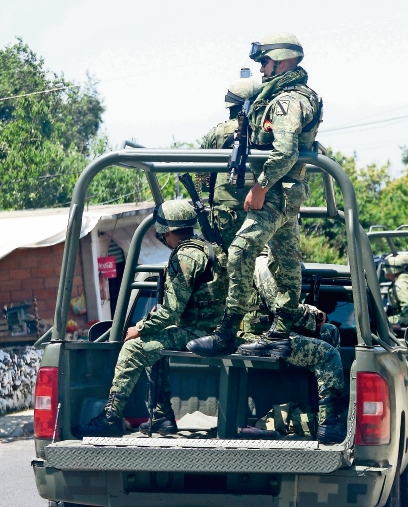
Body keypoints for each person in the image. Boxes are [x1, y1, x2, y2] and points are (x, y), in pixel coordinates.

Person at [188, 32, 323, 359]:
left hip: (275, 191)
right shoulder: (301, 95)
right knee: (286, 261)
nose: (262, 70)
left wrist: (260, 187)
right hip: (290, 193)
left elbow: (286, 151)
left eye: (265, 62)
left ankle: (227, 332)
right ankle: (281, 331)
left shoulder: (287, 101)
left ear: (283, 60)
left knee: (240, 251)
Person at [73, 200, 227, 438]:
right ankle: (162, 416)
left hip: (198, 332)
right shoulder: (208, 249)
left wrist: (140, 328)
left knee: (134, 347)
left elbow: (171, 311)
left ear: (166, 231)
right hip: (215, 330)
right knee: (155, 345)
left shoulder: (184, 257)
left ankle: (111, 418)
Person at [240, 257, 347, 444]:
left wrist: (313, 315)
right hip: (261, 337)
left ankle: (316, 411)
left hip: (270, 332)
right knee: (328, 354)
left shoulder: (265, 260)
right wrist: (312, 316)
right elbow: (280, 305)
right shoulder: (262, 263)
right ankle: (327, 425)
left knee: (330, 331)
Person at [199, 76, 262, 245]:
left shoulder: (216, 133)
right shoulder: (265, 132)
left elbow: (202, 177)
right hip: (261, 215)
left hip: (224, 218)